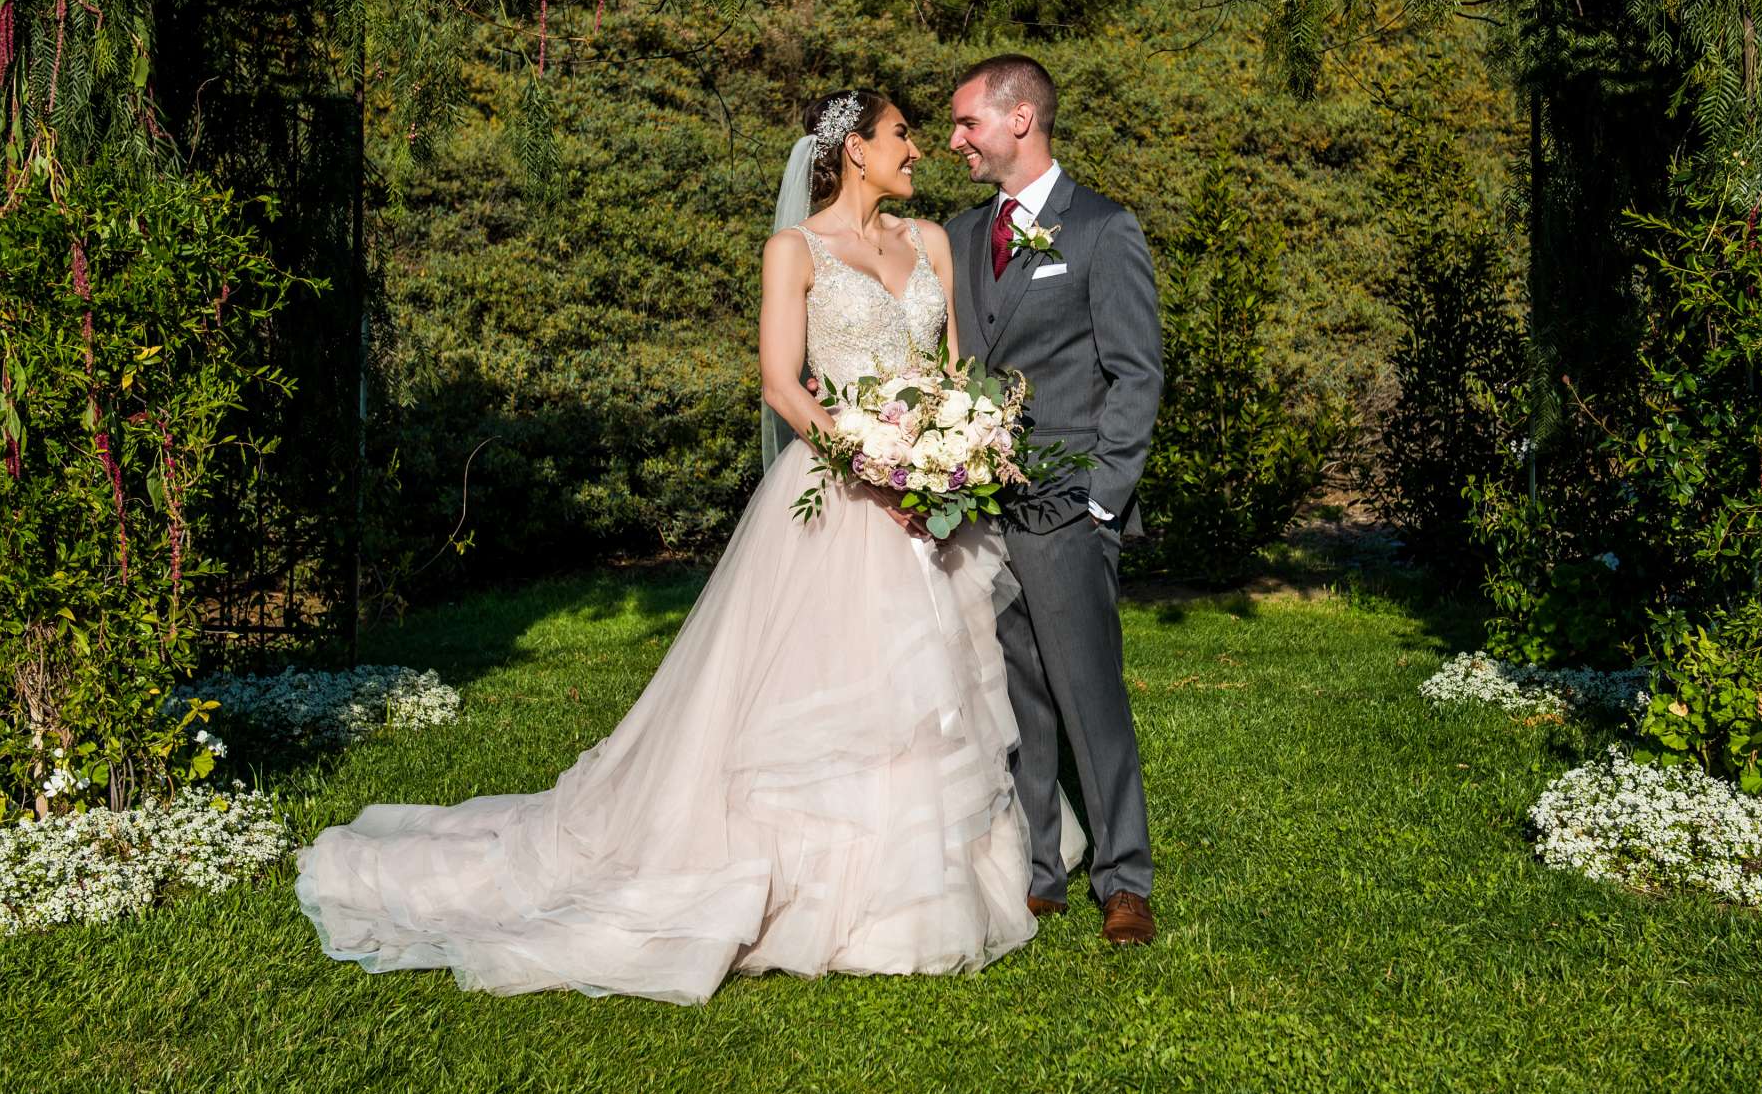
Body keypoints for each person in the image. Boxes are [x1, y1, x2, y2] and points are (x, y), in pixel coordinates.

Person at [293, 87, 1069, 1003]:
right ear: (855, 149)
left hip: (935, 506)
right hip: (843, 496)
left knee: (942, 697)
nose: (920, 150)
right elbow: (783, 384)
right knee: (833, 703)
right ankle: (828, 895)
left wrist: (950, 455)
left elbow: (949, 375)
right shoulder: (796, 249)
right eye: (902, 135)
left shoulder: (931, 242)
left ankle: (927, 895)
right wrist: (874, 468)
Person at [944, 54, 1165, 946]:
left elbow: (1136, 372)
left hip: (1071, 506)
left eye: (968, 124)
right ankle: (1042, 870)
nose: (955, 140)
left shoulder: (1104, 229)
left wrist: (1105, 500)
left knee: (1087, 694)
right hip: (980, 511)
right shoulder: (960, 235)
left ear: (1021, 119)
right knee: (1016, 693)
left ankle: (1126, 880)